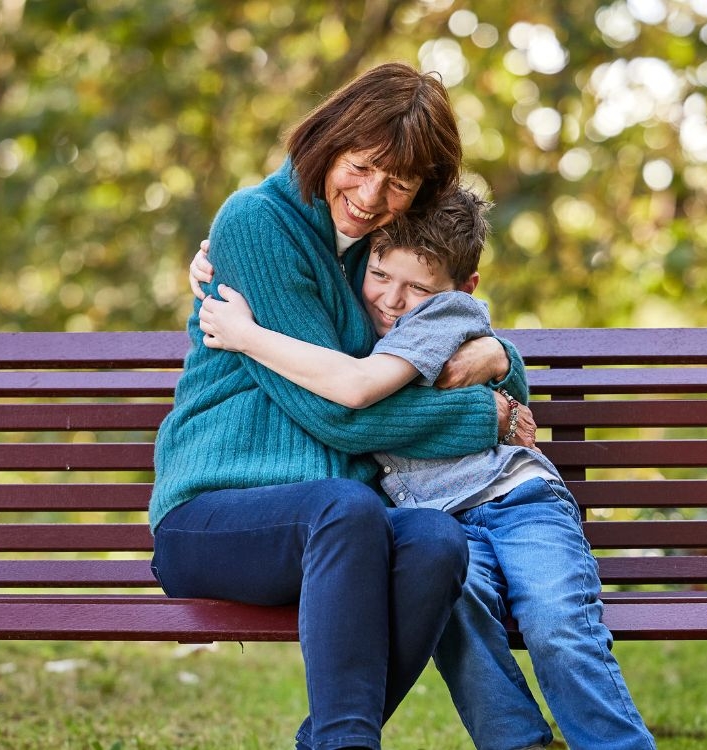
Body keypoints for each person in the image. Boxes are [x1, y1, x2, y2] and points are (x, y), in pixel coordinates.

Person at [151, 62, 534, 750]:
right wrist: (485, 417)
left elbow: (455, 332)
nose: (368, 195)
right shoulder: (255, 224)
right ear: (328, 143)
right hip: (213, 517)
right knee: (349, 506)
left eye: (398, 183)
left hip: (339, 525)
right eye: (359, 168)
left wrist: (505, 358)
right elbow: (333, 412)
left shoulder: (384, 254)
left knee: (436, 541)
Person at [198, 186, 657, 750]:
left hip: (516, 500)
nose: (394, 299)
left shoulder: (441, 316)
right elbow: (298, 289)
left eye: (418, 286)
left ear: (460, 289)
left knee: (557, 624)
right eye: (382, 276)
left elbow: (358, 394)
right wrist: (216, 264)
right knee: (460, 618)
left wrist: (247, 335)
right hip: (438, 521)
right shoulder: (358, 317)